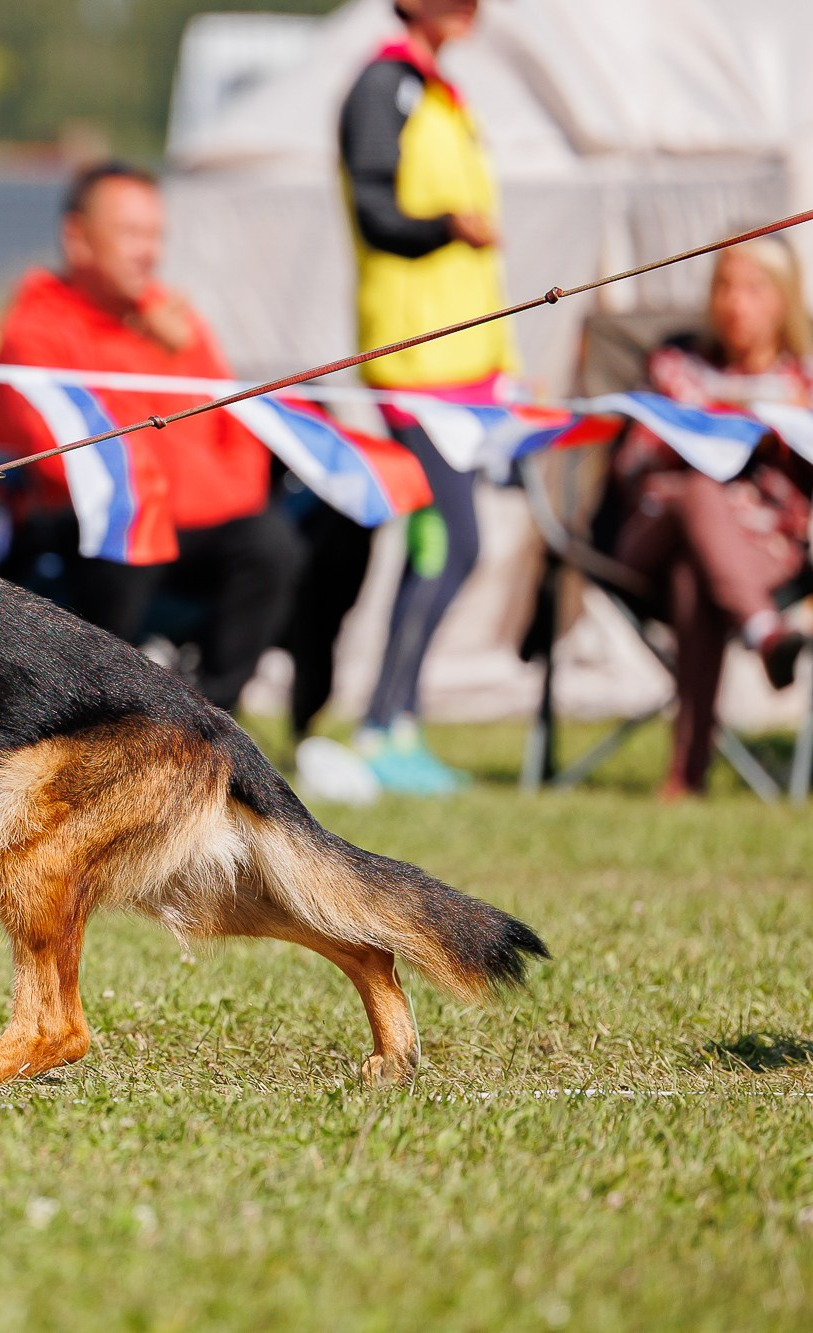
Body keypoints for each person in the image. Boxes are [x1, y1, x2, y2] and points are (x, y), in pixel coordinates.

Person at [0, 162, 304, 712]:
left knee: (272, 542)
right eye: (132, 234)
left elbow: (241, 446)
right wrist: (184, 480)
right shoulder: (34, 328)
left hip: (183, 525)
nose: (149, 252)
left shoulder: (178, 327)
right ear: (78, 239)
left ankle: (208, 721)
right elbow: (74, 465)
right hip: (84, 527)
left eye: (156, 236)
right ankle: (99, 717)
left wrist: (163, 348)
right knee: (133, 522)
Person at [339, 0, 511, 794]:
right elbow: (378, 214)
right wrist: (447, 225)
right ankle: (382, 722)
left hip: (466, 360)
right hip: (418, 363)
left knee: (444, 544)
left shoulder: (443, 92)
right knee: (451, 542)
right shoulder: (385, 86)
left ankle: (395, 717)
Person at [610, 240, 813, 800]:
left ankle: (686, 776)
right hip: (651, 532)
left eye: (753, 289)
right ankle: (765, 632)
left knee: (694, 575)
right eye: (725, 287)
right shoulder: (679, 367)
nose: (735, 303)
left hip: (763, 549)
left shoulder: (803, 382)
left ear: (784, 300)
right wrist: (718, 430)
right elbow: (635, 462)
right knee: (699, 490)